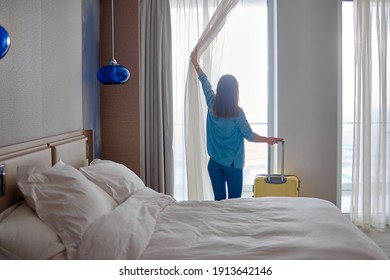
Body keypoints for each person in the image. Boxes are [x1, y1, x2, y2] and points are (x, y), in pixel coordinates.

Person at [190, 48, 283, 201]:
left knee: (219, 203)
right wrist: (268, 140)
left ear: (220, 90)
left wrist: (196, 63)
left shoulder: (212, 103)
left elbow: (204, 81)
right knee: (235, 204)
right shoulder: (237, 113)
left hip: (214, 164)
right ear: (235, 92)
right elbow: (250, 136)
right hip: (233, 166)